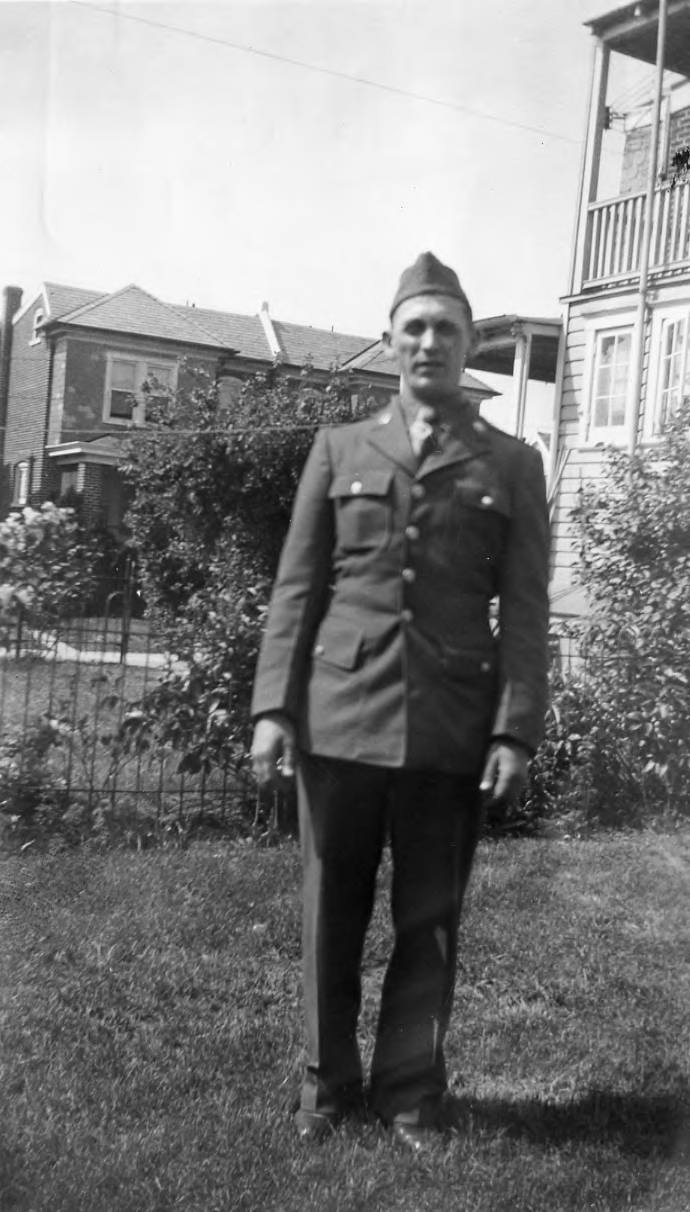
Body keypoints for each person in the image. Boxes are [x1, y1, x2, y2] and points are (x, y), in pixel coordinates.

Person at [250, 252, 550, 1151]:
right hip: (340, 713)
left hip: (451, 724)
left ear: (469, 345)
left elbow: (526, 608)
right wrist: (274, 709)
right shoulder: (340, 448)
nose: (429, 342)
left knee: (430, 920)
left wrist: (514, 730)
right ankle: (326, 1084)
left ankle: (411, 1092)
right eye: (414, 327)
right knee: (329, 910)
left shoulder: (512, 462)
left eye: (446, 329)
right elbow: (297, 589)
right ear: (389, 340)